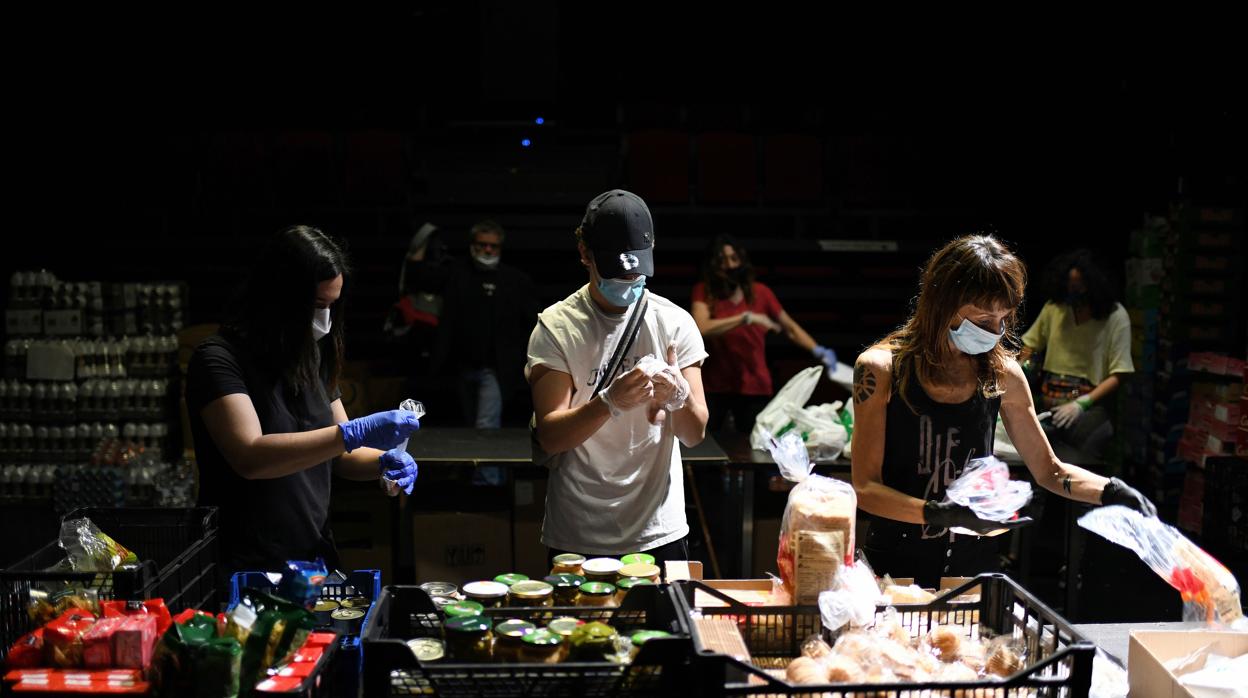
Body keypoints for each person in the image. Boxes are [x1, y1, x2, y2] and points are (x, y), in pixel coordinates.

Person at [850, 234, 1155, 588]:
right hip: (892, 575)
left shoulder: (1003, 374)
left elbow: (1049, 471)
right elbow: (865, 488)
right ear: (941, 304)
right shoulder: (881, 369)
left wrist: (1113, 491)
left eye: (1003, 319)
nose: (994, 332)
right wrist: (939, 514)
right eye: (982, 319)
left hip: (970, 575)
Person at [187, 225, 421, 575]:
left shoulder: (310, 355)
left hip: (310, 557)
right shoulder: (219, 360)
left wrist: (385, 462)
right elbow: (250, 456)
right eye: (315, 305)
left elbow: (343, 456)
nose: (324, 320)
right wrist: (351, 434)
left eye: (331, 305)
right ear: (276, 297)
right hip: (245, 565)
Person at [527, 190, 709, 565]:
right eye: (616, 271)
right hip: (579, 532)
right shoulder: (556, 328)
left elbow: (695, 434)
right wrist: (609, 403)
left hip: (659, 529)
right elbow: (551, 436)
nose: (628, 280)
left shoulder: (675, 323)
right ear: (584, 253)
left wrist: (679, 397)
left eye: (636, 271)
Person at [691, 234, 838, 432]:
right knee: (709, 445)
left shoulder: (761, 292)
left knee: (753, 448)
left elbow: (791, 328)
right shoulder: (704, 291)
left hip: (754, 385)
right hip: (715, 386)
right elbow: (702, 327)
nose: (730, 265)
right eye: (722, 260)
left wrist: (819, 350)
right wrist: (746, 318)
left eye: (734, 258)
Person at [1019, 249, 1133, 459]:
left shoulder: (1116, 317)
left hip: (1088, 408)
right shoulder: (1056, 308)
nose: (1074, 293)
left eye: (1079, 287)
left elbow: (1121, 373)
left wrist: (1082, 403)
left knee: (1078, 463)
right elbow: (1030, 345)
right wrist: (1019, 372)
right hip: (1049, 404)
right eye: (1070, 286)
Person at [432, 219, 539, 428]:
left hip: (496, 368)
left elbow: (530, 322)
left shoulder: (515, 281)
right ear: (473, 245)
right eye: (482, 244)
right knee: (467, 423)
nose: (487, 249)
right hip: (461, 365)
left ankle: (489, 463)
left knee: (485, 425)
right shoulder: (457, 276)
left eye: (493, 245)